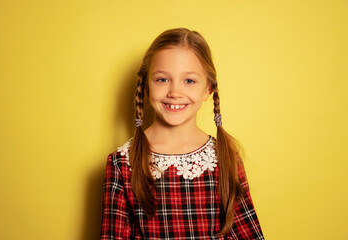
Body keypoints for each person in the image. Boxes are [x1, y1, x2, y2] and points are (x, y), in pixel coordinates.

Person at [100, 28, 264, 239]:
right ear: (146, 87)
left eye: (189, 81)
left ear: (208, 89)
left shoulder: (225, 158)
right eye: (162, 80)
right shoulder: (121, 164)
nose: (175, 92)